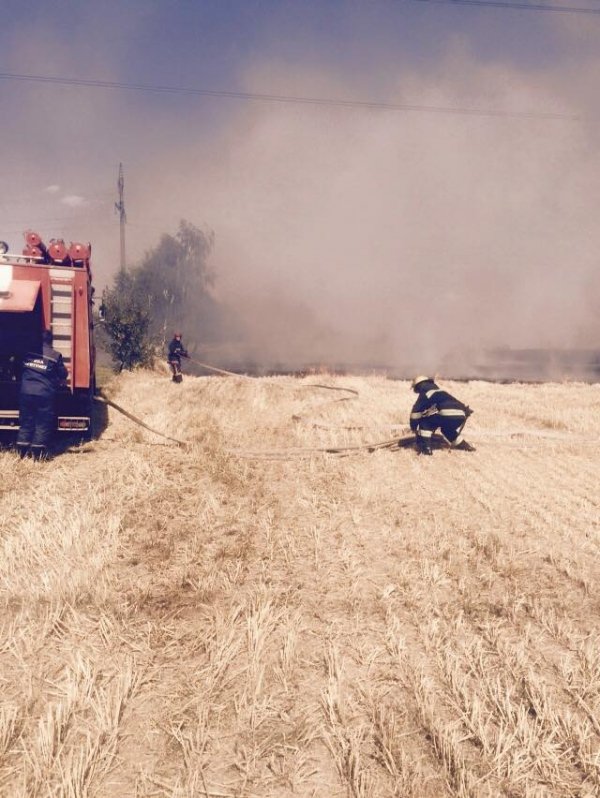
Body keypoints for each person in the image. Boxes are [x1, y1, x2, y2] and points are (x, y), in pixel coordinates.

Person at [16, 329, 68, 460]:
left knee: (26, 421)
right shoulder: (55, 356)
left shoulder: (28, 353)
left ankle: (21, 453)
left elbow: (17, 368)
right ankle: (37, 454)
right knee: (42, 422)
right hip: (44, 394)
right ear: (51, 341)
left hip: (26, 392)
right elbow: (63, 374)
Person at [409, 375, 476, 456]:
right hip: (461, 415)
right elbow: (456, 403)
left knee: (425, 423)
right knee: (447, 429)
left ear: (419, 386)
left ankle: (426, 449)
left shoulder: (426, 392)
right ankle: (465, 446)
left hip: (446, 413)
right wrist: (466, 411)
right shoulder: (440, 392)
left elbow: (415, 413)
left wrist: (413, 427)